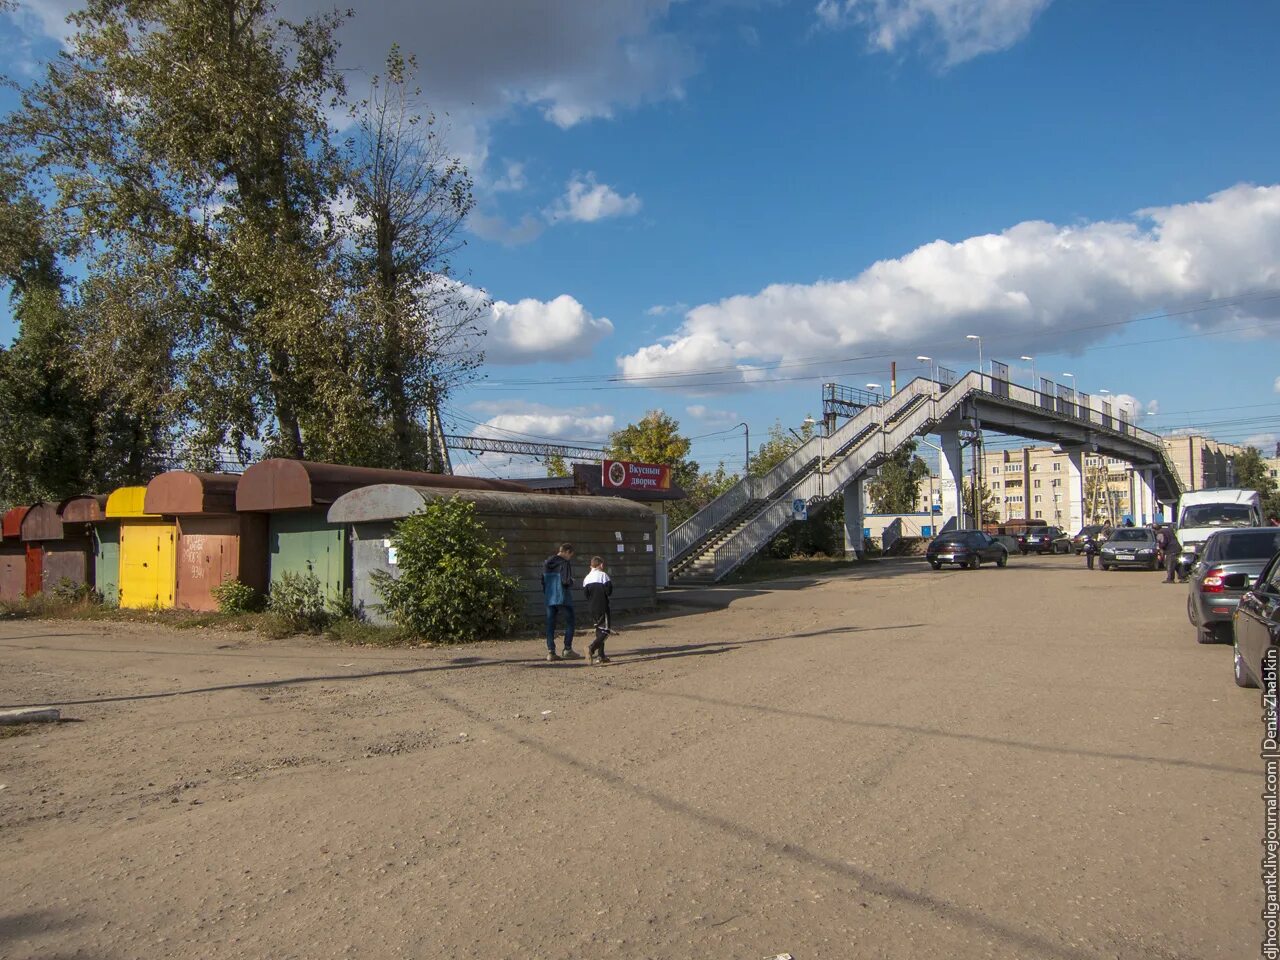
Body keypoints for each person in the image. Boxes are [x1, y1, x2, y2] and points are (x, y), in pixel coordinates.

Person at [542, 543, 580, 661]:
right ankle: (567, 649)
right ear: (567, 552)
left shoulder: (546, 563)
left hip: (550, 596)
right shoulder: (564, 563)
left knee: (550, 624)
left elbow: (542, 581)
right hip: (563, 596)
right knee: (570, 621)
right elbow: (565, 581)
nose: (570, 558)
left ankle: (551, 652)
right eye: (570, 555)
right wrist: (572, 581)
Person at [583, 556, 615, 665]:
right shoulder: (603, 575)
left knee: (598, 630)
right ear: (600, 565)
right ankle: (591, 648)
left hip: (592, 608)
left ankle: (601, 655)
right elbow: (609, 591)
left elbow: (586, 594)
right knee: (606, 631)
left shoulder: (586, 578)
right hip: (603, 606)